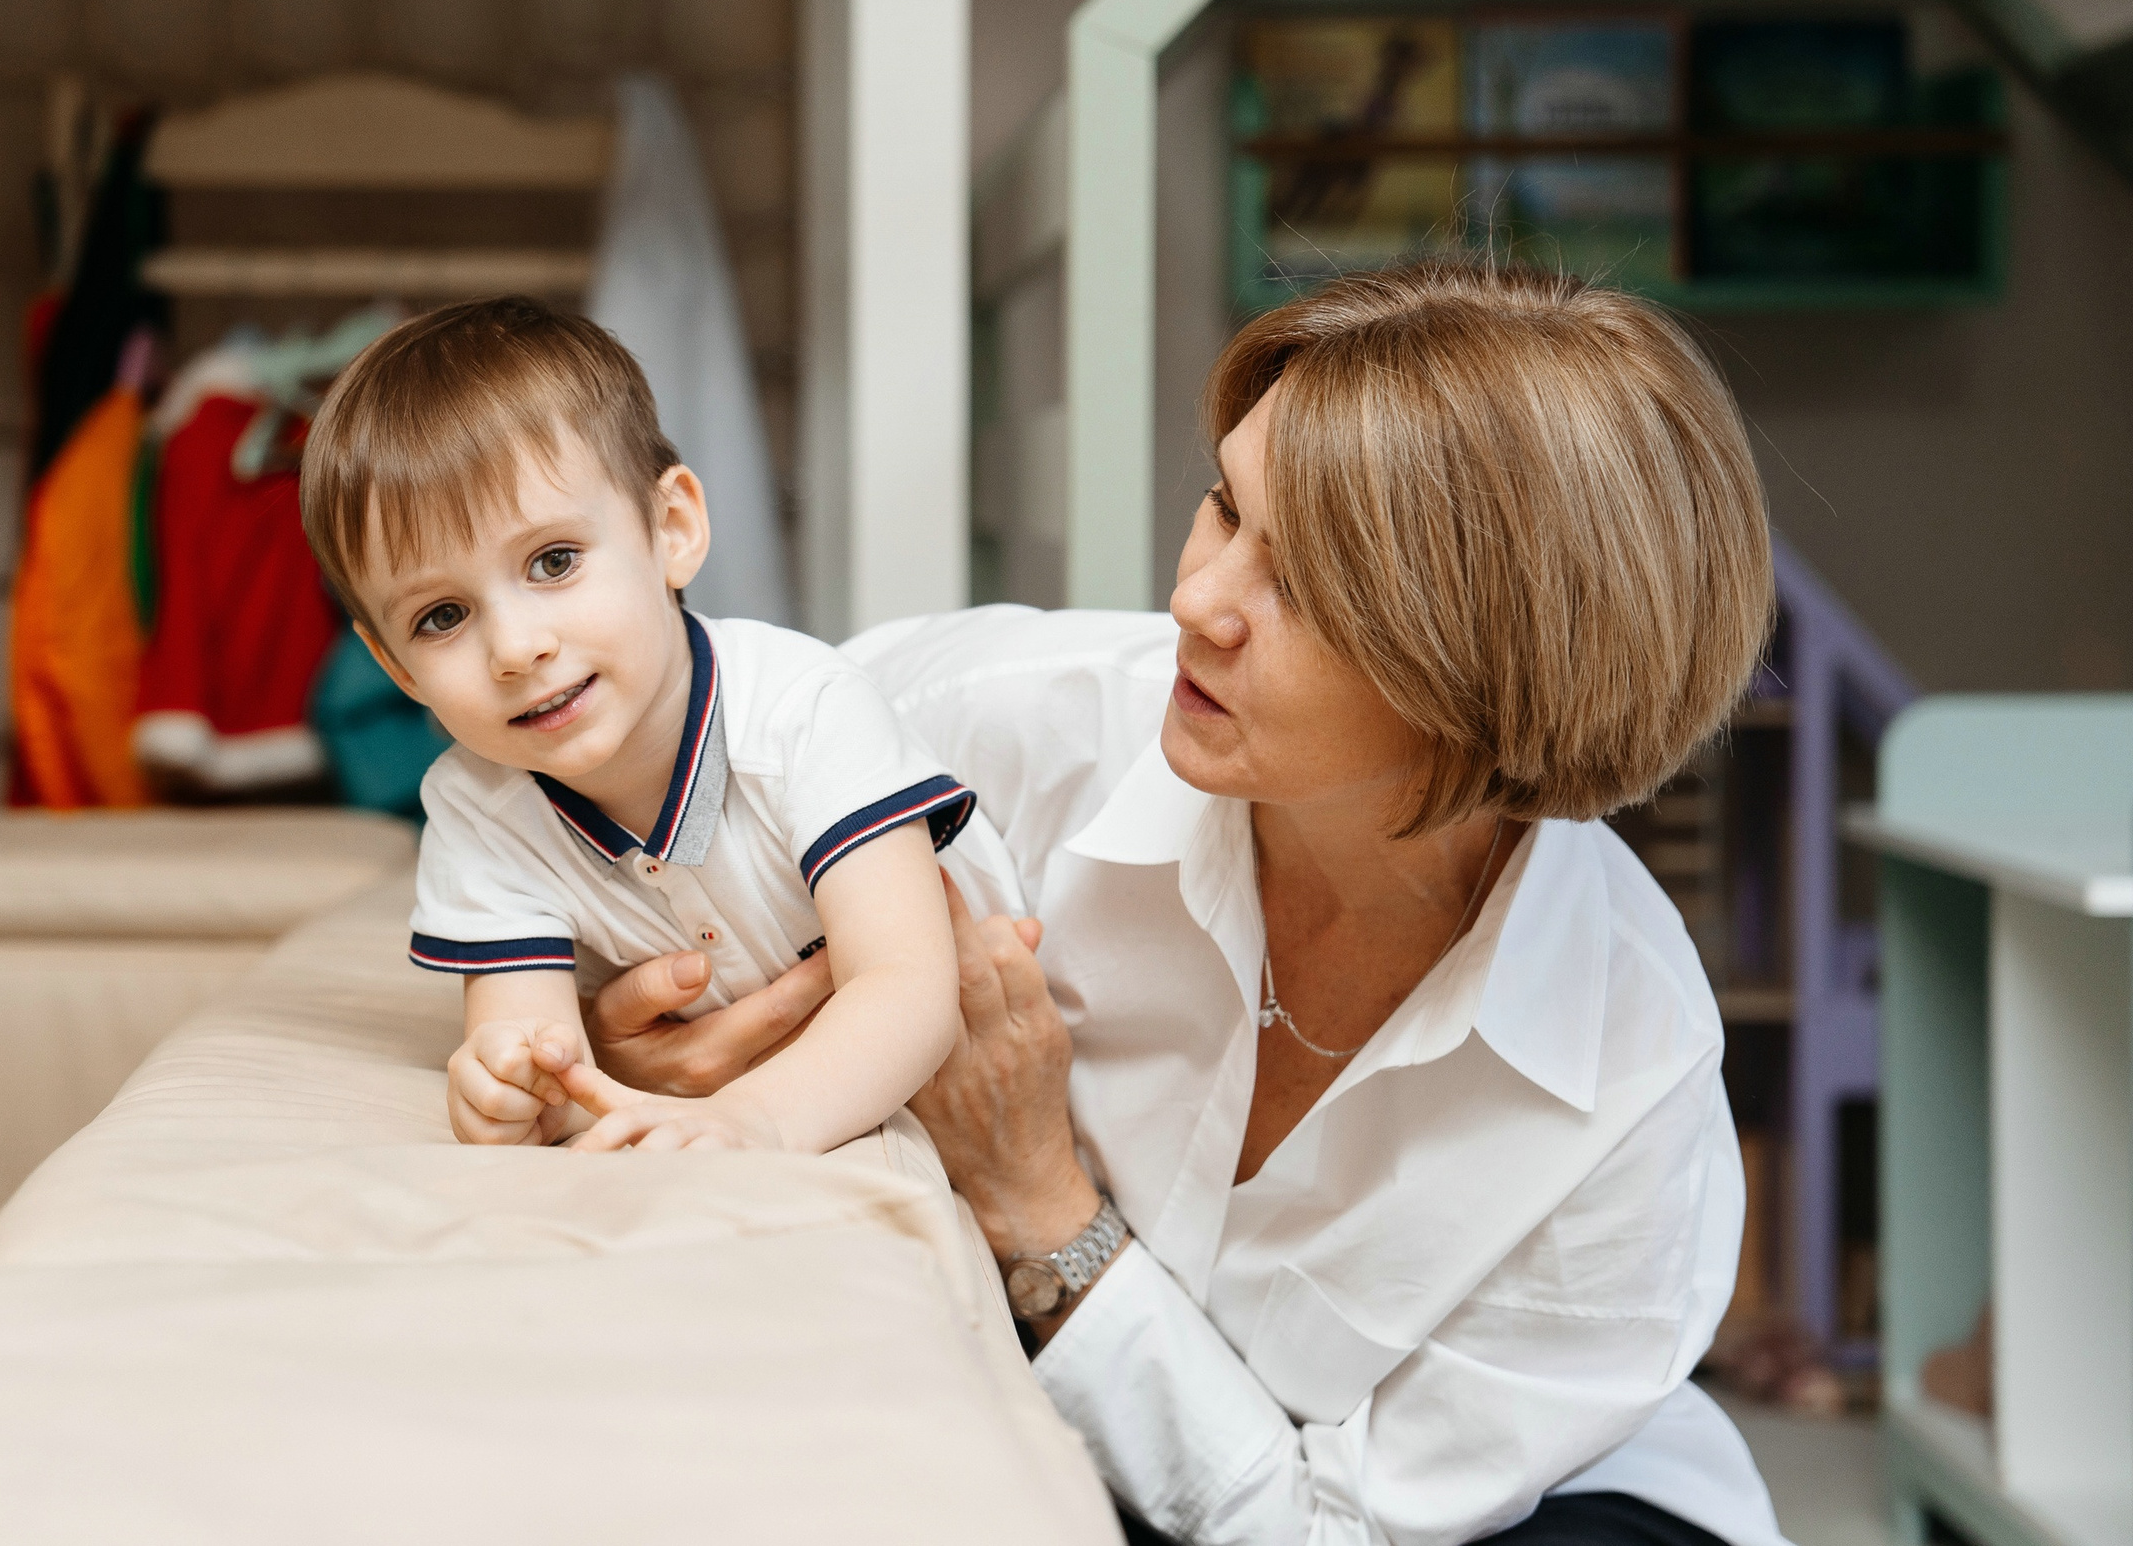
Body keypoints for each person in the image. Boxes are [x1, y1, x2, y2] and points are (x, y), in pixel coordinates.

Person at [573, 260, 1791, 1546]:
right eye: (1223, 507)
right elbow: (646, 841)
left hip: (1507, 1516)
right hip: (1100, 1447)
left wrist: (1043, 1202)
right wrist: (640, 1021)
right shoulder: (965, 729)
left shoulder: (1626, 1090)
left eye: (1308, 585)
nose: (1196, 602)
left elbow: (1330, 1532)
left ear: (1491, 676)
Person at [301, 296, 994, 1154]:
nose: (516, 649)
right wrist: (515, 1084)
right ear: (397, 667)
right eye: (442, 616)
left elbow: (909, 986)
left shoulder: (801, 707)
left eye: (553, 562)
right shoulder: (478, 807)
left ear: (673, 529)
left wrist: (753, 1118)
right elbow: (538, 1043)